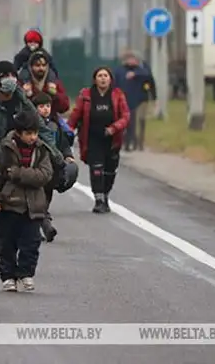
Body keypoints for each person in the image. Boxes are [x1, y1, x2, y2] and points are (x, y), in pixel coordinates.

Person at [0, 60, 62, 270]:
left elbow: (41, 130)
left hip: (19, 164)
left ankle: (6, 254)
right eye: (5, 76)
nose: (10, 80)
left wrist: (58, 156)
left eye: (12, 75)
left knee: (13, 210)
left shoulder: (23, 103)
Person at [0, 110, 53, 292]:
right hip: (10, 203)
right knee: (8, 244)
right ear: (18, 133)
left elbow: (45, 175)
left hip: (34, 205)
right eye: (28, 133)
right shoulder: (5, 150)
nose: (32, 137)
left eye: (35, 133)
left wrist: (17, 174)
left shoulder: (42, 150)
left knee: (32, 243)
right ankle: (8, 276)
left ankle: (26, 273)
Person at [68, 67, 130, 213]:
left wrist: (114, 128)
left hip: (112, 139)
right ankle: (99, 199)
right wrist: (68, 129)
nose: (103, 78)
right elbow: (76, 114)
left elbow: (125, 116)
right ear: (95, 79)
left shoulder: (117, 95)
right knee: (96, 168)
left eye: (105, 76)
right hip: (92, 138)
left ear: (110, 79)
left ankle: (106, 195)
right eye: (100, 76)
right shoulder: (86, 95)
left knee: (109, 170)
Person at [32, 93, 75, 242]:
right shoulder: (31, 125)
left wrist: (68, 155)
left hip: (53, 167)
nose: (45, 109)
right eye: (41, 106)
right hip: (36, 167)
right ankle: (45, 226)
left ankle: (43, 223)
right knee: (38, 199)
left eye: (48, 106)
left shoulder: (55, 125)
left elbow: (63, 143)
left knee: (46, 197)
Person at [113, 51, 155, 151]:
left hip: (136, 100)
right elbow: (115, 83)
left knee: (133, 122)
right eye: (130, 59)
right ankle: (125, 142)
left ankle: (134, 143)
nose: (132, 61)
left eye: (134, 59)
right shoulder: (119, 70)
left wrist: (135, 74)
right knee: (125, 122)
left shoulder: (140, 70)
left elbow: (148, 76)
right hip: (123, 99)